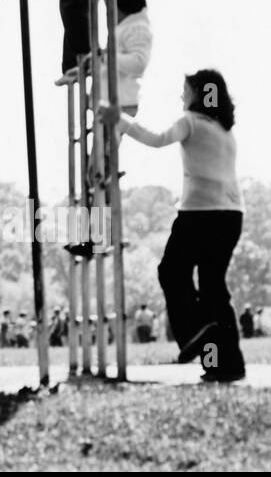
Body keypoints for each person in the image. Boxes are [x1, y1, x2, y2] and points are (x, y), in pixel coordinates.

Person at [102, 69, 245, 383]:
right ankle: (225, 364)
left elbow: (157, 139)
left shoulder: (191, 122)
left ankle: (194, 332)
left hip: (199, 214)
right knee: (213, 288)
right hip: (231, 214)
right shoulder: (225, 130)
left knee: (172, 272)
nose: (183, 97)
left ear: (201, 94)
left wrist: (119, 119)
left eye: (187, 91)